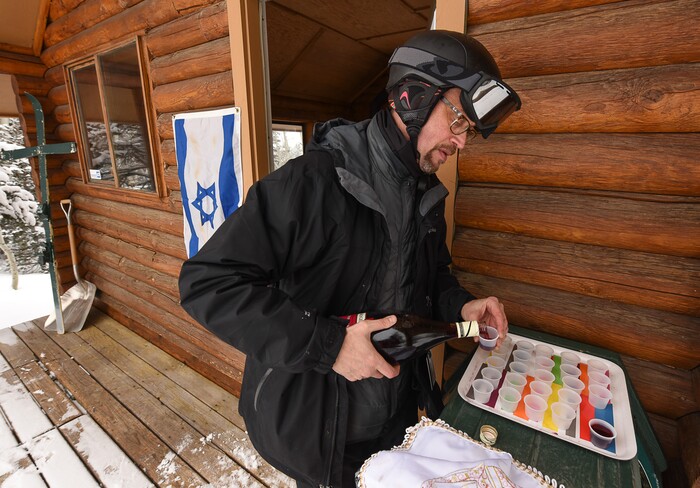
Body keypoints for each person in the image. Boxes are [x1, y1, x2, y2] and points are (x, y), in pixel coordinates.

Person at [179, 29, 521, 488]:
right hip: (318, 432)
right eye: (458, 120)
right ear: (413, 96)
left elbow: (430, 278)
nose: (462, 143)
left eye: (469, 131)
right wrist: (331, 345)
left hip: (393, 421)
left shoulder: (426, 195)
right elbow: (208, 282)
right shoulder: (314, 182)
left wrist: (462, 306)